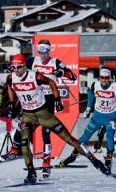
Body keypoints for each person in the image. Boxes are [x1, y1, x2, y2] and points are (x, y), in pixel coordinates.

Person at [5, 54, 109, 185]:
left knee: (69, 139)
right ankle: (31, 173)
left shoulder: (35, 76)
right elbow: (10, 86)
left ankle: (95, 161)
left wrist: (57, 99)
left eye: (19, 67)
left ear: (25, 66)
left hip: (43, 114)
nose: (16, 70)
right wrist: (11, 101)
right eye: (13, 67)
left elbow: (52, 82)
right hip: (28, 115)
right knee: (24, 142)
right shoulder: (10, 77)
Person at [57, 69, 116, 173]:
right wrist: (88, 108)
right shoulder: (95, 85)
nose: (104, 80)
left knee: (109, 136)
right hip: (97, 117)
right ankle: (73, 156)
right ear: (99, 78)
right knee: (84, 137)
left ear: (110, 78)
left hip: (110, 117)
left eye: (106, 78)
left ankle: (108, 159)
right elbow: (90, 95)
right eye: (102, 78)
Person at [27, 39, 77, 172]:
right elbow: (19, 71)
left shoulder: (56, 62)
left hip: (49, 98)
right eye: (41, 51)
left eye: (46, 51)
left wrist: (61, 72)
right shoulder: (32, 61)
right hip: (35, 98)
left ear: (49, 51)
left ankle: (46, 161)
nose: (43, 55)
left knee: (45, 132)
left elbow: (73, 77)